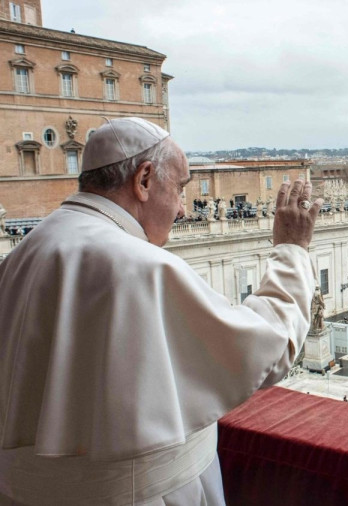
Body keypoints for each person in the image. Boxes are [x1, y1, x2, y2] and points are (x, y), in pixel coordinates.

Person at [0, 117, 324, 505]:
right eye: (181, 188)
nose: (184, 210)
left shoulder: (24, 252)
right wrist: (291, 249)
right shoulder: (140, 266)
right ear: (144, 179)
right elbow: (268, 348)